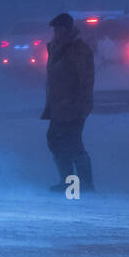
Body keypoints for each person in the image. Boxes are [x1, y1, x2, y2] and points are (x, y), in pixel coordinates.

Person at [41, 12, 95, 192]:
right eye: (55, 29)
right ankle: (70, 182)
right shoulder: (57, 48)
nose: (56, 32)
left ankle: (84, 185)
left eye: (59, 29)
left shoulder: (78, 50)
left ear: (67, 29)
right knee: (55, 141)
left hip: (73, 107)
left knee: (73, 144)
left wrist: (81, 104)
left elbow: (85, 80)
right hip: (59, 106)